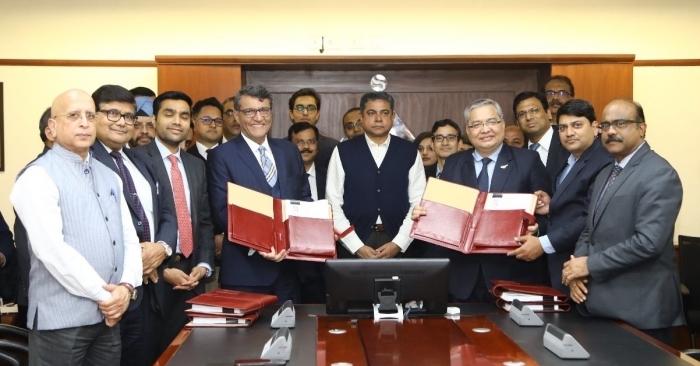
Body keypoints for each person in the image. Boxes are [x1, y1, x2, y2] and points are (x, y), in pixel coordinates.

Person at [10, 89, 142, 366]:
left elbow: (129, 239)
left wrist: (127, 287)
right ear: (52, 128)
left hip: (109, 317)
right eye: (73, 116)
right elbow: (51, 250)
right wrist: (106, 296)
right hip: (61, 321)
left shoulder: (110, 175)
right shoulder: (37, 176)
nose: (84, 123)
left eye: (90, 116)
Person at [563, 99, 684, 346]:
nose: (611, 131)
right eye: (605, 125)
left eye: (620, 123)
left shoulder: (659, 173)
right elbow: (590, 230)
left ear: (642, 128)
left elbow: (648, 243)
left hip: (641, 311)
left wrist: (589, 265)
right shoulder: (607, 172)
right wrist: (577, 272)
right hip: (600, 305)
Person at [415, 98, 551, 303]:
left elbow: (547, 212)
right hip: (462, 279)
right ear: (467, 132)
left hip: (512, 275)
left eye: (491, 122)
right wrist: (425, 216)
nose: (485, 129)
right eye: (476, 124)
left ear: (502, 124)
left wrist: (538, 233)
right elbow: (446, 213)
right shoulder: (454, 163)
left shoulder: (527, 161)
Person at [89, 84, 177, 366]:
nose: (123, 123)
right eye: (113, 113)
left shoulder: (142, 160)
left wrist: (161, 248)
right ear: (94, 116)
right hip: (110, 294)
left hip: (149, 293)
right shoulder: (85, 160)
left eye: (129, 117)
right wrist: (139, 262)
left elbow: (168, 213)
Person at [208, 85, 311, 303]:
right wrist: (263, 244)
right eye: (250, 111)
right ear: (236, 115)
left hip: (290, 270)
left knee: (292, 333)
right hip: (245, 271)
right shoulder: (221, 156)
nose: (258, 118)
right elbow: (222, 212)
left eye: (264, 110)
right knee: (245, 337)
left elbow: (304, 198)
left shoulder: (289, 150)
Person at [134, 90, 215, 353]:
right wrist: (161, 269)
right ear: (155, 118)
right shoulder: (135, 160)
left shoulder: (196, 165)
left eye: (183, 116)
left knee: (190, 354)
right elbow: (133, 223)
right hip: (154, 279)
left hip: (193, 277)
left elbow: (203, 221)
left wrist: (203, 264)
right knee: (153, 354)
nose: (176, 121)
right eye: (169, 114)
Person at [507, 99, 613, 293]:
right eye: (563, 127)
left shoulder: (604, 162)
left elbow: (590, 217)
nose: (569, 133)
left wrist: (543, 244)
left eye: (577, 125)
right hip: (560, 265)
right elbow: (571, 204)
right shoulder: (569, 159)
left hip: (582, 266)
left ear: (595, 127)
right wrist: (552, 204)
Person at [327, 92, 426, 259]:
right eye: (372, 113)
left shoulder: (409, 151)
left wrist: (399, 243)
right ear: (362, 116)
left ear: (393, 116)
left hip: (399, 242)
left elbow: (418, 202)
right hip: (353, 242)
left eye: (385, 113)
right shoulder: (343, 151)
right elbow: (333, 204)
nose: (378, 119)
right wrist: (355, 245)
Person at [287, 122, 327, 303]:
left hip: (326, 258)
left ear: (317, 146)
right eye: (299, 142)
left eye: (311, 141)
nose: (305, 147)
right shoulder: (281, 178)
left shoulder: (331, 176)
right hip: (293, 259)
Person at [513, 91, 569, 182]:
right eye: (522, 114)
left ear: (548, 113)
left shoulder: (566, 142)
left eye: (534, 110)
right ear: (518, 123)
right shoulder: (518, 154)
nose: (528, 117)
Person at [288, 88, 339, 169]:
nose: (305, 113)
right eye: (300, 108)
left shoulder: (333, 147)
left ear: (317, 114)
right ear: (291, 114)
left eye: (311, 108)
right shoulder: (280, 148)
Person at [187, 97, 223, 161]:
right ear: (194, 122)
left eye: (218, 121)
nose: (213, 125)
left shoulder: (233, 155)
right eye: (206, 120)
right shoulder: (186, 157)